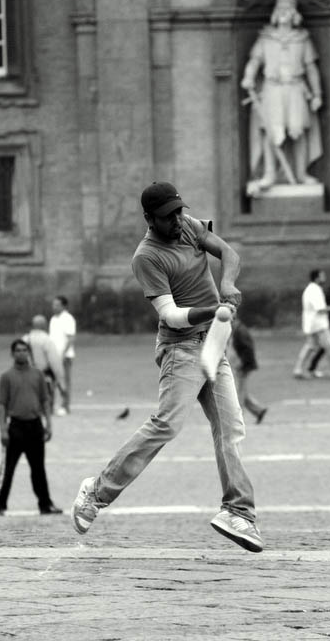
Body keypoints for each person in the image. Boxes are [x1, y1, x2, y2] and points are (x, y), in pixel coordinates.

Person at [71, 181, 263, 553]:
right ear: (149, 219)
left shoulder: (188, 225)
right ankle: (95, 493)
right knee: (168, 424)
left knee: (231, 427)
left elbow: (228, 253)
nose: (177, 220)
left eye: (178, 211)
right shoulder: (146, 257)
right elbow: (172, 316)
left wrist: (227, 282)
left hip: (212, 343)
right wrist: (214, 309)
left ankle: (237, 512)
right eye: (167, 216)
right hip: (181, 349)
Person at [241, 0, 323, 194]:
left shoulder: (302, 38)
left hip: (295, 87)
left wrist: (317, 93)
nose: (284, 13)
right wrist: (248, 77)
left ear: (294, 13)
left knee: (299, 130)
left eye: (288, 9)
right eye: (281, 9)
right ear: (275, 13)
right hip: (272, 88)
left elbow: (311, 68)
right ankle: (269, 173)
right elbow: (254, 61)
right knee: (272, 131)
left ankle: (302, 173)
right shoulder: (266, 37)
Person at [0, 338, 62, 516]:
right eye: (18, 350)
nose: (21, 353)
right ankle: (0, 504)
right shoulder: (6, 377)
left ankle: (45, 504)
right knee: (8, 469)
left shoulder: (38, 375)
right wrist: (2, 429)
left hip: (34, 426)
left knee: (38, 469)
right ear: (12, 353)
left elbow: (45, 401)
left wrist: (49, 424)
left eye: (24, 350)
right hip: (15, 427)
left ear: (29, 353)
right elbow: (2, 406)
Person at [293, 269, 330, 380]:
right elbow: (320, 309)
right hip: (319, 324)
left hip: (311, 324)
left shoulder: (310, 289)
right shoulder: (315, 290)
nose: (324, 278)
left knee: (310, 346)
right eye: (322, 276)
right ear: (317, 278)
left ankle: (298, 369)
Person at [23, 315, 64, 415]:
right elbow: (54, 360)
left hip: (26, 372)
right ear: (45, 325)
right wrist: (59, 375)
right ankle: (50, 408)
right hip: (43, 373)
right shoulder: (46, 340)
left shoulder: (25, 339)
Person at [229, 318, 268, 424]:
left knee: (239, 392)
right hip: (241, 364)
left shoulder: (240, 331)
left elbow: (247, 349)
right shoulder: (237, 329)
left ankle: (237, 419)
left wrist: (243, 364)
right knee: (241, 391)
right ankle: (258, 411)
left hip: (244, 365)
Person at [49, 295, 76, 416]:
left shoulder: (68, 318)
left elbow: (70, 338)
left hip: (65, 357)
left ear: (64, 306)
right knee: (51, 382)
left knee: (64, 382)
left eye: (57, 305)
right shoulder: (53, 319)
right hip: (52, 357)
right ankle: (49, 406)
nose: (54, 307)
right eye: (53, 304)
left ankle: (65, 406)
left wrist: (62, 354)